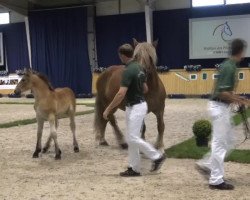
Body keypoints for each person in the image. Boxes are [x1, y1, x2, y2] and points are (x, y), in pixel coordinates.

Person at [103, 43, 166, 177]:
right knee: (131, 138)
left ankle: (157, 156)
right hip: (139, 105)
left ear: (122, 56)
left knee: (132, 138)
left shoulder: (128, 70)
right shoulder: (139, 68)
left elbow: (120, 94)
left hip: (135, 107)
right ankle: (134, 168)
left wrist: (108, 109)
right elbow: (145, 89)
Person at [196, 39, 249, 190]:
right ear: (241, 52)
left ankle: (206, 165)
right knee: (220, 144)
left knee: (230, 141)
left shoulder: (230, 65)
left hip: (222, 107)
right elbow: (222, 93)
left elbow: (227, 92)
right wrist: (241, 101)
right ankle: (216, 180)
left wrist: (238, 99)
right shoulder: (229, 67)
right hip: (219, 107)